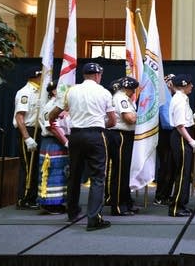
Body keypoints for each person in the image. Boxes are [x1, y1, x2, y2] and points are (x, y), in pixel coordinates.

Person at [49, 62, 116, 231]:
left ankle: (72, 212)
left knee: (74, 175)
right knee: (98, 177)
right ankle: (94, 219)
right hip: (96, 135)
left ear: (84, 75)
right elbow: (113, 121)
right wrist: (99, 125)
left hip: (76, 135)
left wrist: (51, 120)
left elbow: (54, 114)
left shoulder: (71, 91)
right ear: (98, 75)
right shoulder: (104, 92)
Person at [106, 76, 139, 216]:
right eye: (132, 90)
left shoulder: (126, 98)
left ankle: (126, 202)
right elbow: (130, 119)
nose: (133, 93)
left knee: (125, 171)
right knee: (120, 172)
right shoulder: (121, 98)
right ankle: (118, 205)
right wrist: (140, 116)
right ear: (127, 88)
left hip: (126, 136)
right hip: (120, 136)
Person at [38, 80, 70, 214]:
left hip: (61, 143)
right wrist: (66, 142)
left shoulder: (61, 107)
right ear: (54, 91)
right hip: (53, 143)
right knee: (51, 173)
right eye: (61, 89)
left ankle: (58, 202)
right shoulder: (49, 107)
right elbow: (52, 126)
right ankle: (49, 204)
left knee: (61, 173)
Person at [168, 74, 195, 217]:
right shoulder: (179, 100)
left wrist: (193, 117)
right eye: (190, 84)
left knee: (185, 173)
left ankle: (182, 204)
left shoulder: (182, 98)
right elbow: (180, 125)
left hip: (183, 134)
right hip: (181, 136)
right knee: (182, 173)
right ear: (184, 85)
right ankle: (176, 207)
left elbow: (184, 119)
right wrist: (190, 140)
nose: (192, 86)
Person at [14, 66, 42, 210]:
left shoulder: (40, 92)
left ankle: (32, 197)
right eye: (40, 76)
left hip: (38, 130)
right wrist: (27, 138)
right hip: (28, 130)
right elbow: (20, 117)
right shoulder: (25, 93)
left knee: (35, 166)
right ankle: (23, 198)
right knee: (28, 166)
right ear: (35, 77)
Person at [154, 74, 176, 206]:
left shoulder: (169, 96)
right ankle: (161, 195)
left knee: (169, 166)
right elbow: (167, 122)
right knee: (166, 166)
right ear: (169, 83)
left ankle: (165, 194)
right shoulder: (164, 97)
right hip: (165, 135)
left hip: (168, 134)